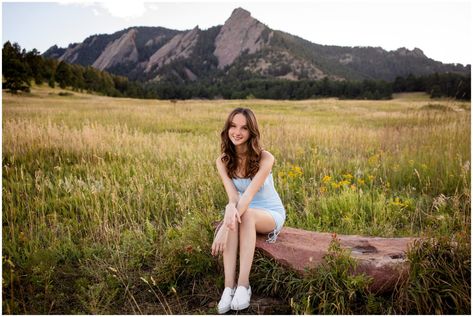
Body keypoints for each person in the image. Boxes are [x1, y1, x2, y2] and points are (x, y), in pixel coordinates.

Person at [211, 108, 286, 313]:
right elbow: (234, 197)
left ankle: (244, 285)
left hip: (269, 213)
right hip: (243, 211)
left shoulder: (265, 158)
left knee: (243, 215)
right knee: (237, 214)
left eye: (244, 127)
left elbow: (248, 196)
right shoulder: (223, 161)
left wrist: (225, 228)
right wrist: (229, 208)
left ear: (252, 132)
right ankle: (228, 288)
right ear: (227, 129)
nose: (237, 132)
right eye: (233, 126)